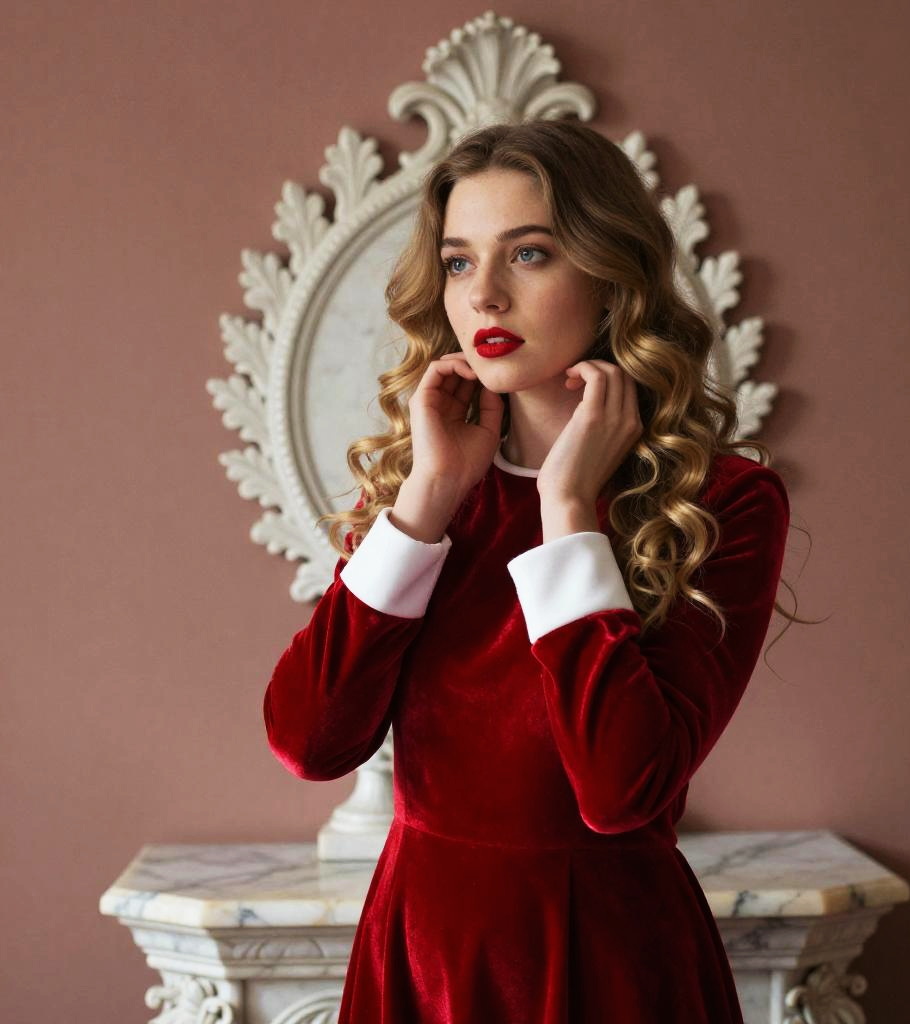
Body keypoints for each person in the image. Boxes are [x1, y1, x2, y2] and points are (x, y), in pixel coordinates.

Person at [264, 118, 789, 1024]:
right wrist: (428, 496)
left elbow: (622, 791)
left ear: (611, 277)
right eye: (460, 262)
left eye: (531, 254)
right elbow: (309, 742)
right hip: (421, 960)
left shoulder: (724, 501)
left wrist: (569, 510)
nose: (487, 296)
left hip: (615, 964)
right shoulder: (421, 484)